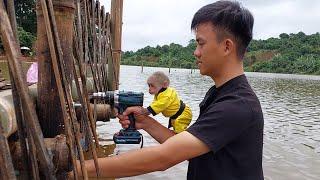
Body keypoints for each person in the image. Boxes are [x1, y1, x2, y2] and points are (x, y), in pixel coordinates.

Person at [78, 1, 264, 179]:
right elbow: (188, 149)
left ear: (226, 46)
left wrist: (77, 170)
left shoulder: (237, 106)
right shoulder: (218, 93)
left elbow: (163, 158)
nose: (196, 52)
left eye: (201, 43)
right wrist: (146, 122)